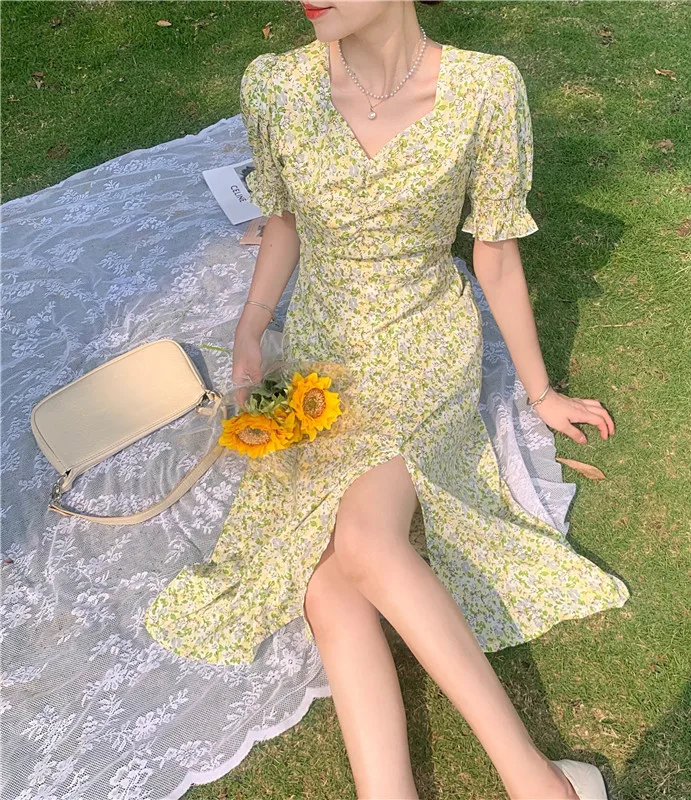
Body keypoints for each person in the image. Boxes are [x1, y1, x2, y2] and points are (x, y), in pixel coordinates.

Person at [143, 1, 631, 797]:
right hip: (320, 358)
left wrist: (540, 392)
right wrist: (252, 327)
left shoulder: (484, 88)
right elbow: (283, 221)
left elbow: (495, 257)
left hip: (423, 342)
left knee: (365, 541)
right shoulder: (276, 85)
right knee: (324, 576)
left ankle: (539, 782)